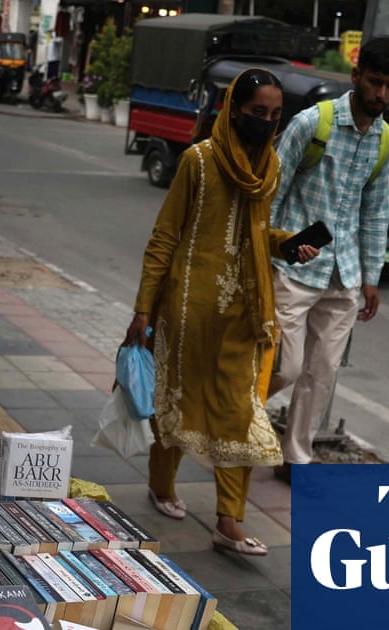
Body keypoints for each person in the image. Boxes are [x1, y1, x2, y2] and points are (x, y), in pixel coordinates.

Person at [126, 68, 319, 557]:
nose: (267, 122)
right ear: (234, 109)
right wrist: (143, 308)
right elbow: (166, 235)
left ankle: (228, 521)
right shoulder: (199, 160)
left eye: (275, 115)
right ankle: (161, 484)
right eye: (258, 113)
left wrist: (288, 245)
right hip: (187, 308)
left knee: (240, 413)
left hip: (244, 311)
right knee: (177, 400)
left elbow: (256, 234)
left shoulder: (269, 169)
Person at [265, 36, 389, 479]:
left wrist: (371, 276)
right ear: (355, 76)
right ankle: (232, 421)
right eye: (374, 82)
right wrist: (265, 250)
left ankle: (296, 460)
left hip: (344, 274)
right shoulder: (313, 124)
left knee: (322, 373)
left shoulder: (386, 140)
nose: (381, 94)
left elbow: (376, 209)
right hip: (294, 267)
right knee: (283, 368)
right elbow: (271, 191)